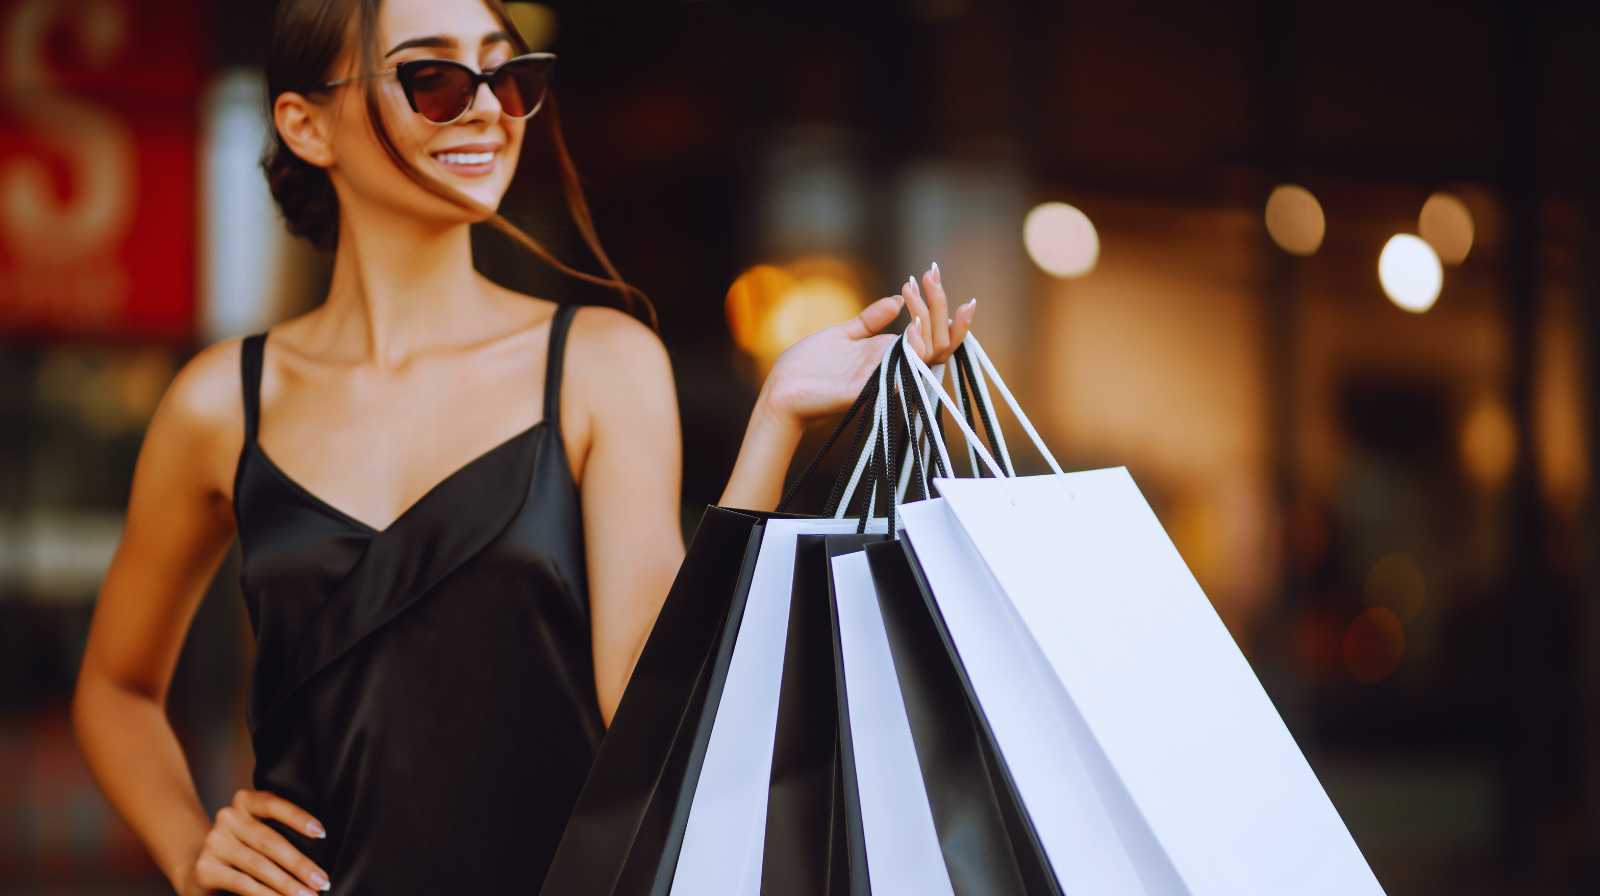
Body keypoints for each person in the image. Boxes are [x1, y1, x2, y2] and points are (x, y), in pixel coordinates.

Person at [69, 0, 977, 893]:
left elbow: (655, 716)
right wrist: (191, 852)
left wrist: (774, 422)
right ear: (307, 126)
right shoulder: (222, 402)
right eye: (431, 77)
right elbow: (114, 689)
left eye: (509, 77)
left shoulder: (598, 365)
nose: (486, 110)